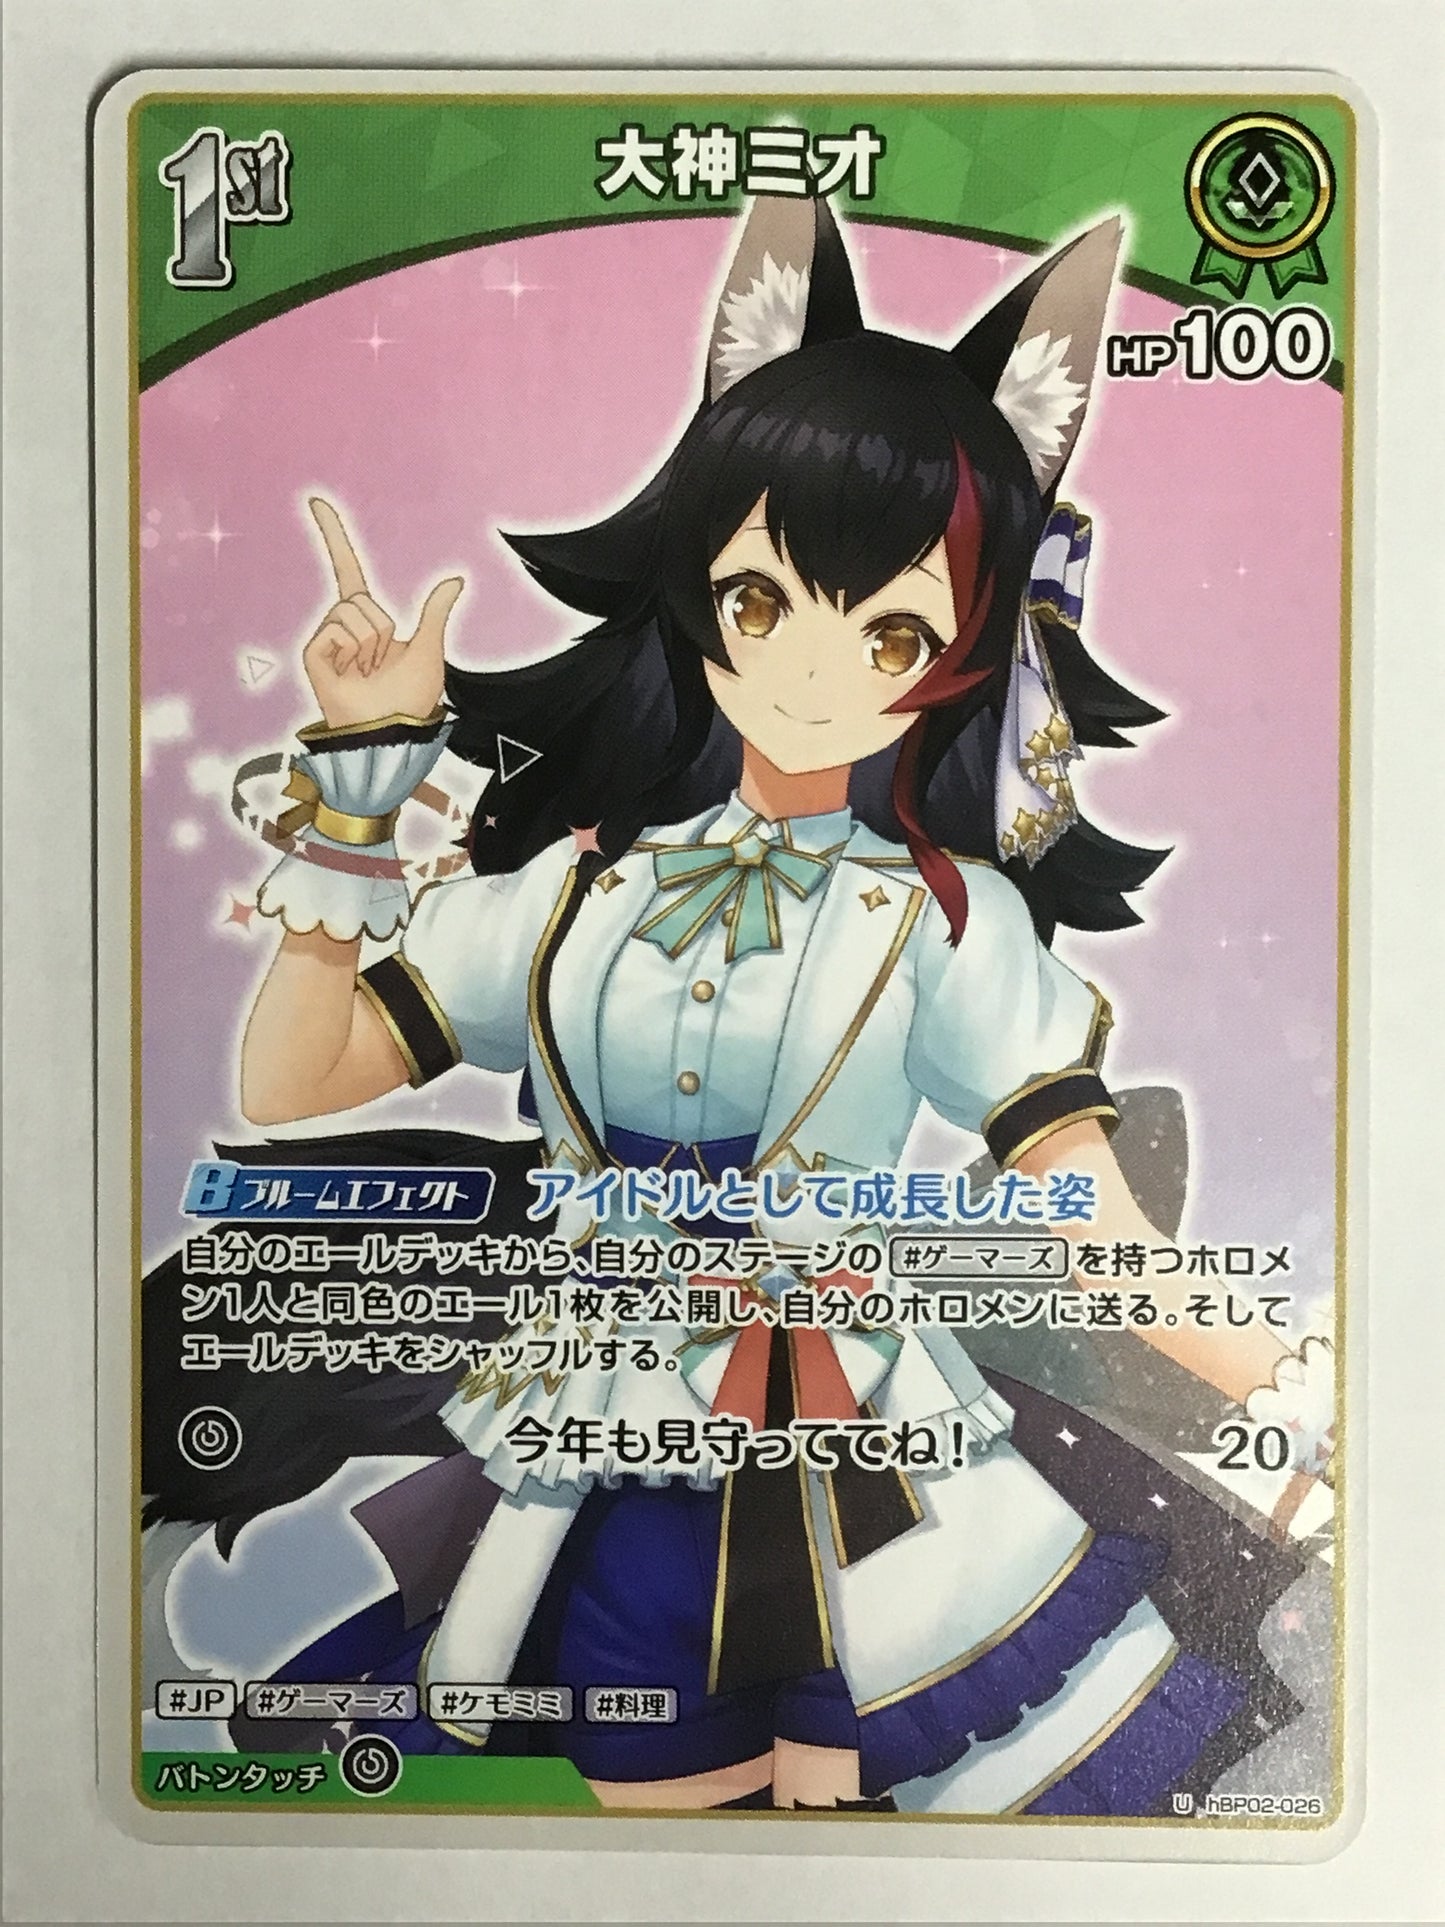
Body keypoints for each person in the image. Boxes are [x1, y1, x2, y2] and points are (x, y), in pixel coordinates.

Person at [153, 196, 1334, 1814]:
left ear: (956, 658)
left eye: (892, 630)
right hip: (601, 1419)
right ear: (696, 582)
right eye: (765, 602)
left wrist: (1304, 1387)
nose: (812, 670)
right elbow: (293, 1081)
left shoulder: (941, 921)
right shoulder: (576, 890)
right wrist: (359, 781)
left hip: (845, 1440)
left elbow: (1091, 1231)